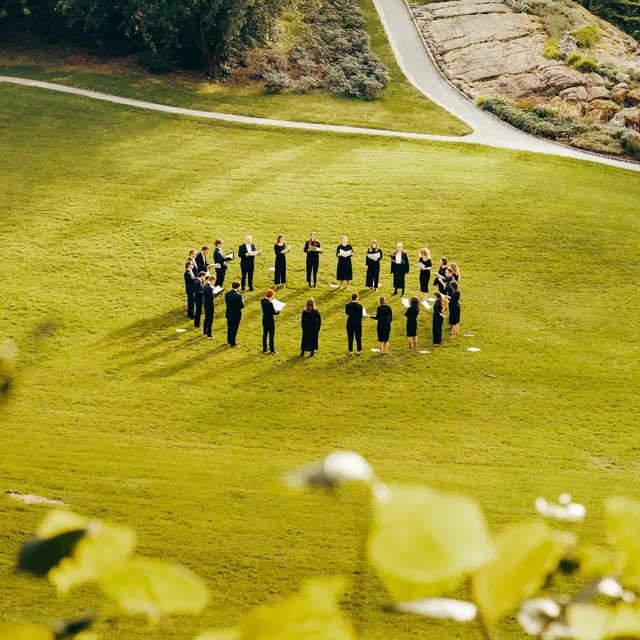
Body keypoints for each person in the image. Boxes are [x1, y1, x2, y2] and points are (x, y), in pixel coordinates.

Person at [225, 280, 245, 347]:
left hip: (228, 313)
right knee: (234, 328)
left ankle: (229, 340)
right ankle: (232, 342)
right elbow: (242, 306)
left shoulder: (227, 293)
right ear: (238, 287)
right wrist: (243, 300)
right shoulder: (238, 296)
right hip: (236, 314)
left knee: (229, 327)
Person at [260, 288, 280, 353]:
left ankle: (264, 348)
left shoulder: (262, 301)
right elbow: (273, 312)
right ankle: (272, 348)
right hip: (270, 320)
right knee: (271, 335)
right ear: (271, 295)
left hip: (264, 319)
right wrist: (278, 311)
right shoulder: (270, 303)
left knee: (265, 334)